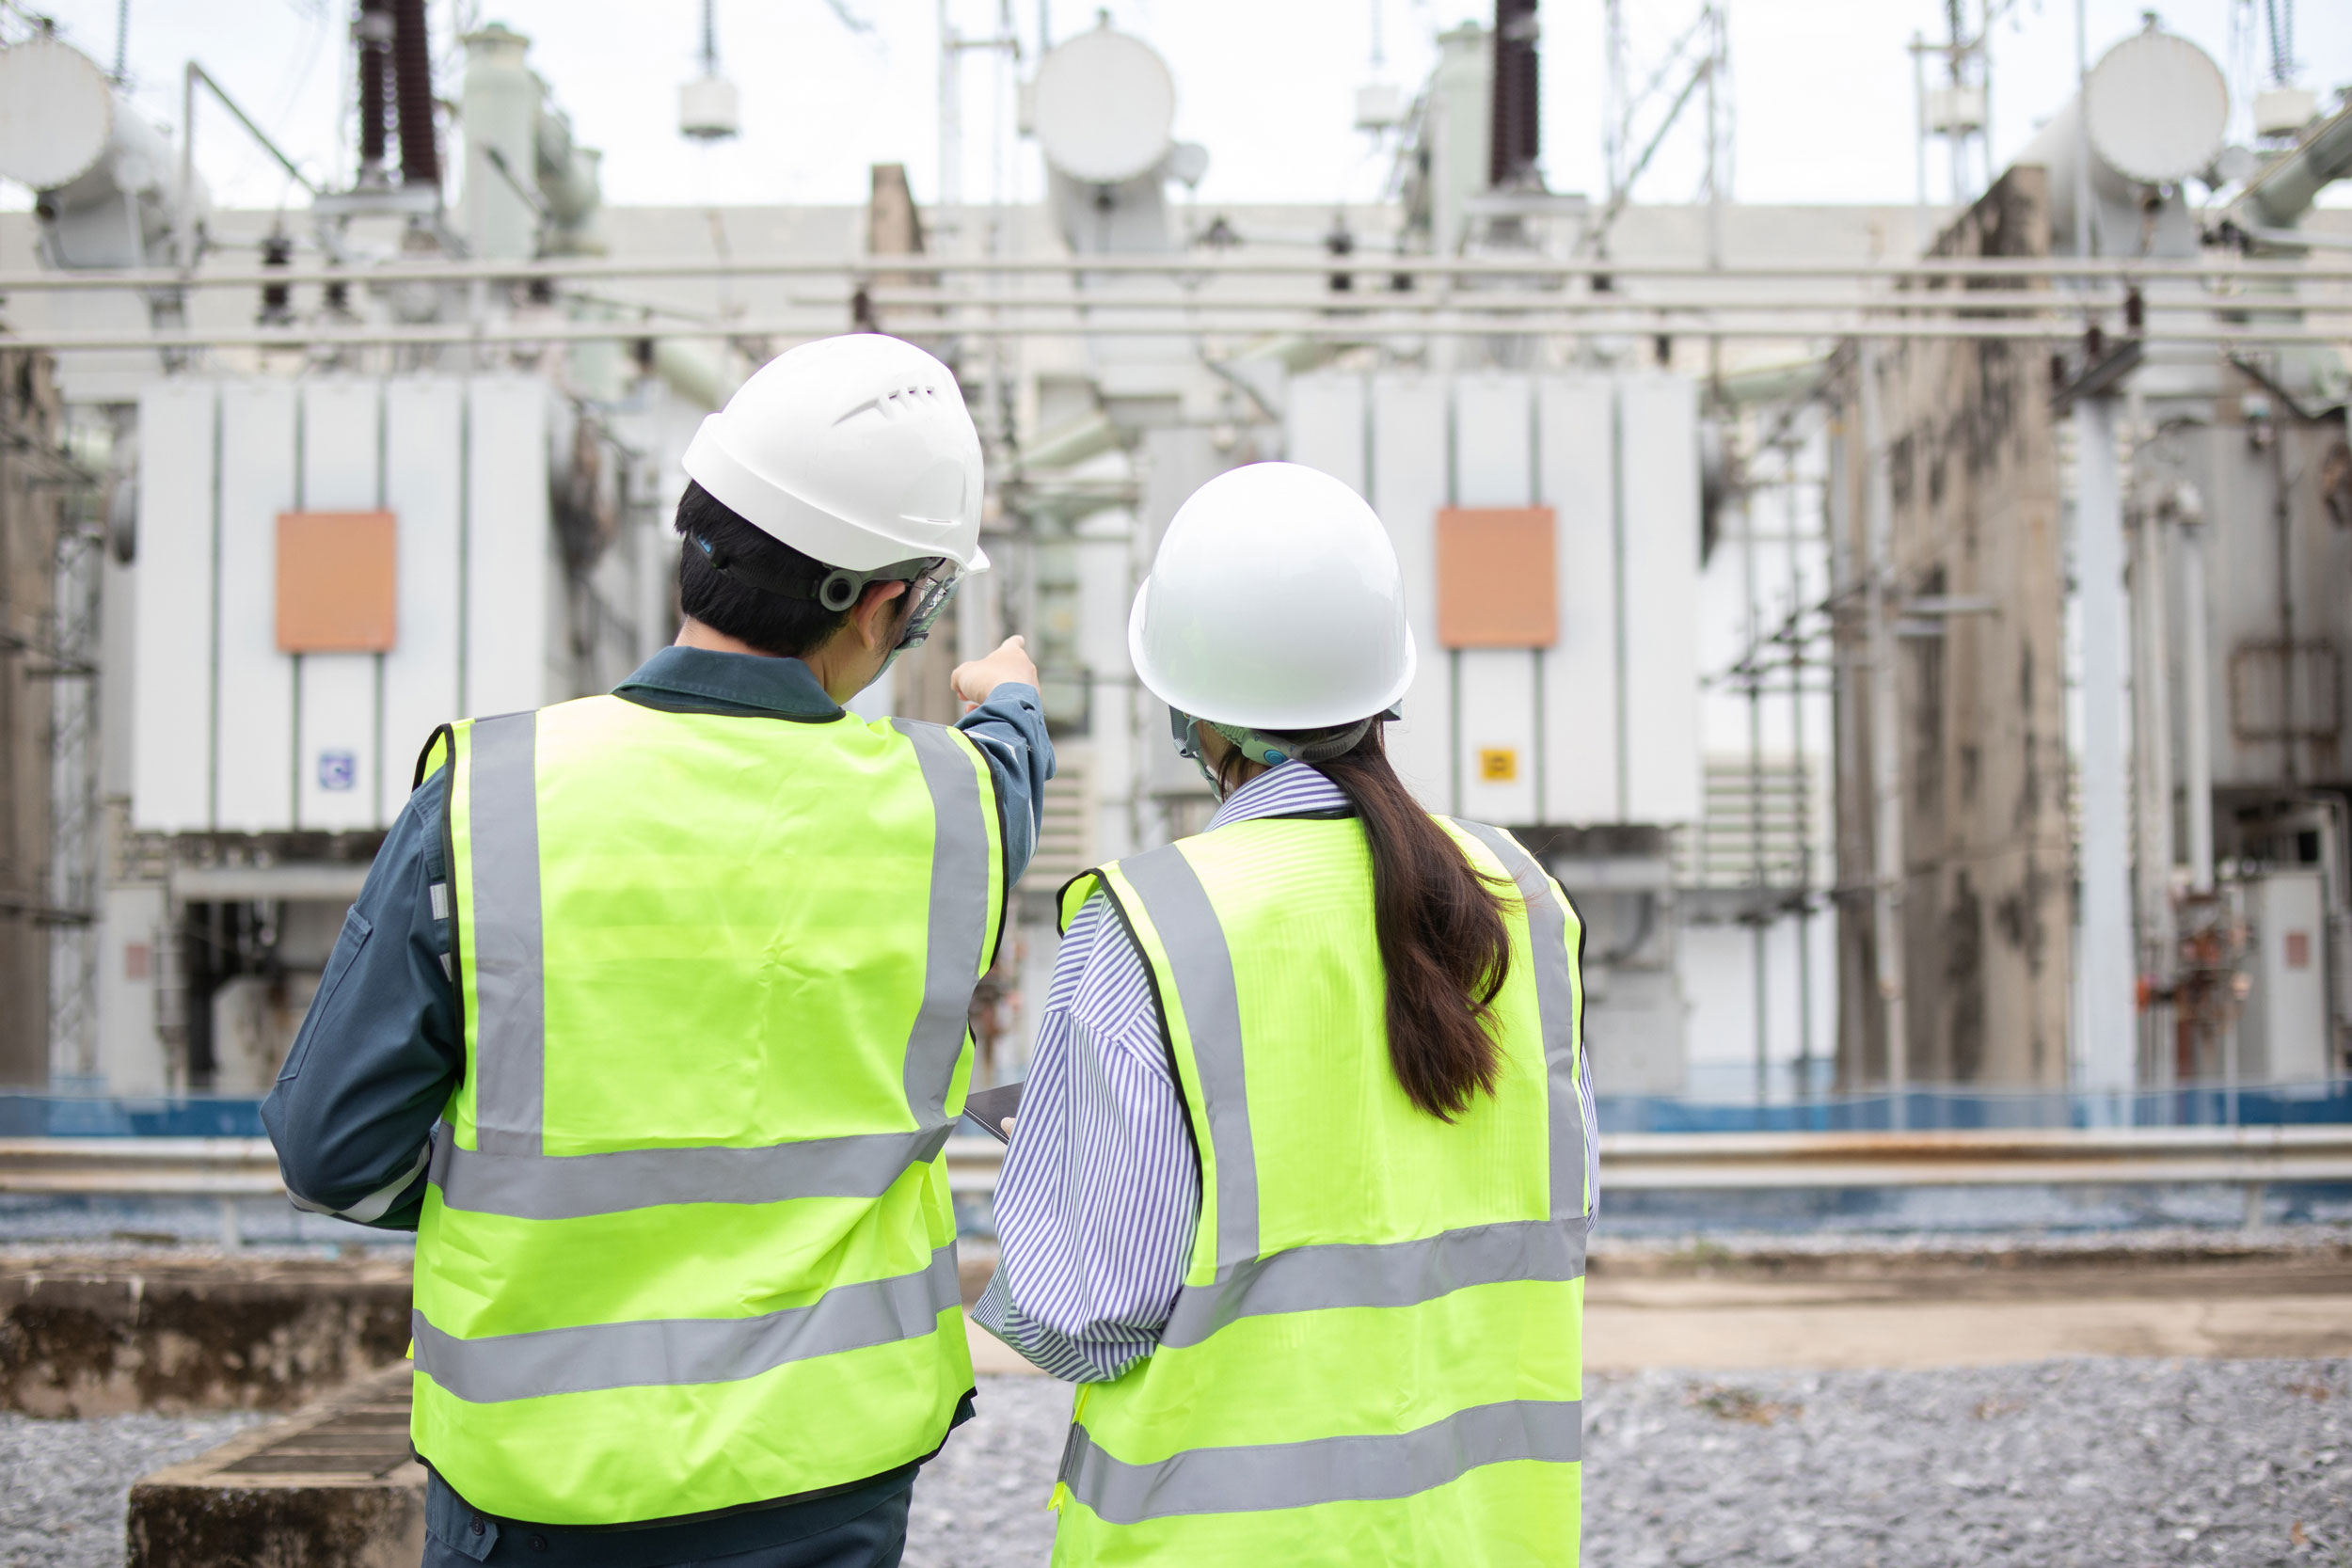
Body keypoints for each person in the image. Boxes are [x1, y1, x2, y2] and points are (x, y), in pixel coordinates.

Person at [262, 333, 1052, 1568]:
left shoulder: (491, 795)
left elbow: (329, 1153)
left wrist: (527, 1202)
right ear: (895, 602)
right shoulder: (952, 809)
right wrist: (1007, 697)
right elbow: (1009, 763)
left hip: (537, 1484)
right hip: (822, 1474)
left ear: (693, 533)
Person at [976, 461, 1597, 1565]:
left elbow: (1084, 1311)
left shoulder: (1152, 921)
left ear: (1192, 706)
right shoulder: (1522, 897)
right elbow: (1549, 1214)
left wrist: (1062, 1162)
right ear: (1383, 682)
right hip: (1483, 1532)